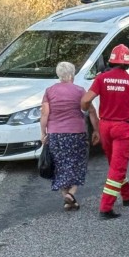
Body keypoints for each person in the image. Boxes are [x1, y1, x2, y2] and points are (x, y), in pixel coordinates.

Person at [81, 43, 129, 219]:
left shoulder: (102, 79)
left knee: (115, 165)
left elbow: (85, 101)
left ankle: (127, 195)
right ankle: (105, 208)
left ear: (111, 61)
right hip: (123, 128)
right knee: (117, 169)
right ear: (128, 63)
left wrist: (87, 111)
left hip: (105, 126)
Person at [41, 60, 88, 211]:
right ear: (72, 74)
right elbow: (88, 109)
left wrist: (43, 133)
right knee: (77, 163)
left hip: (55, 133)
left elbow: (44, 114)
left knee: (59, 165)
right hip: (76, 133)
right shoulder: (79, 90)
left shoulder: (49, 91)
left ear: (58, 74)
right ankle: (71, 193)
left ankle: (67, 200)